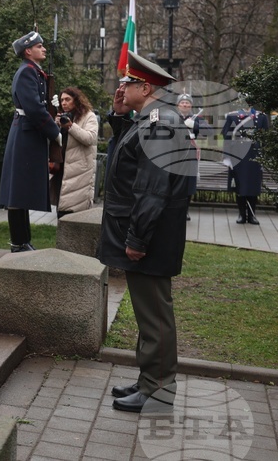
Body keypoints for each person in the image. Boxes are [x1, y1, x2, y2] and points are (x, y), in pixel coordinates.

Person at [100, 51, 195, 413]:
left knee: (155, 314)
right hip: (148, 233)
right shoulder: (153, 119)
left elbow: (153, 188)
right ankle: (148, 380)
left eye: (126, 83)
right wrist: (120, 117)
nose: (120, 88)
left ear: (145, 86)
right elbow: (131, 157)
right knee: (147, 312)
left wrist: (137, 239)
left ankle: (158, 391)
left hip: (151, 236)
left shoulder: (160, 122)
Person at [0, 31, 60, 252]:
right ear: (28, 51)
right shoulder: (27, 73)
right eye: (39, 46)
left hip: (28, 134)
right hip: (25, 133)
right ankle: (18, 241)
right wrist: (54, 132)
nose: (43, 49)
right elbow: (33, 108)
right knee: (18, 191)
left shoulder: (34, 71)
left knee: (21, 191)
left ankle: (23, 240)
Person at [55, 87, 98, 217]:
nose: (64, 103)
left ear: (76, 100)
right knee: (62, 211)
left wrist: (70, 126)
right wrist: (55, 125)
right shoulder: (62, 117)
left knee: (74, 213)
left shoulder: (89, 116)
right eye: (62, 100)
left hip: (80, 172)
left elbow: (90, 138)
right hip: (64, 170)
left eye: (67, 99)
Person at [222, 105, 269, 224]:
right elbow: (227, 137)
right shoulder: (232, 116)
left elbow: (266, 138)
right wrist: (227, 156)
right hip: (238, 153)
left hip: (254, 154)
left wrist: (265, 156)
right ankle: (242, 214)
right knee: (240, 184)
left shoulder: (261, 116)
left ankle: (252, 215)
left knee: (253, 185)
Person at [176, 93, 208, 220]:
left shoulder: (197, 118)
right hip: (175, 153)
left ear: (191, 105)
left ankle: (185, 210)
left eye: (187, 102)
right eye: (182, 102)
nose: (185, 104)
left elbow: (208, 131)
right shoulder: (173, 117)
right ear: (178, 105)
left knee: (188, 183)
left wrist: (194, 125)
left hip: (190, 153)